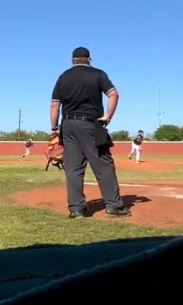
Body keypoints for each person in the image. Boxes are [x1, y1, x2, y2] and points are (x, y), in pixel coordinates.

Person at [49, 46, 131, 218]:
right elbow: (114, 94)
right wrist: (107, 116)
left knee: (73, 168)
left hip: (68, 125)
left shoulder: (63, 77)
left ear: (72, 60)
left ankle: (76, 209)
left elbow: (54, 105)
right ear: (89, 59)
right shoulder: (98, 74)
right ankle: (114, 206)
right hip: (91, 124)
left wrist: (54, 129)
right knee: (103, 165)